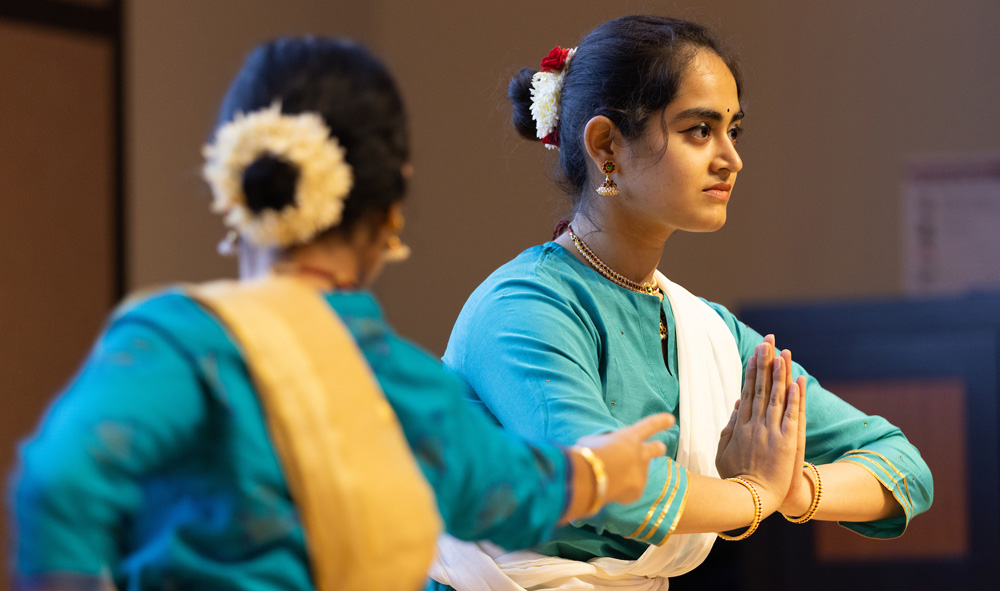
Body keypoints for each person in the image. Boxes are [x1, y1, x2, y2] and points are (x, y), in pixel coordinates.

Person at [8, 37, 678, 591]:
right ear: (390, 217)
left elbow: (59, 482)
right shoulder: (405, 385)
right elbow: (506, 494)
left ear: (235, 188)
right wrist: (599, 471)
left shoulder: (178, 342)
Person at [430, 15, 933, 591]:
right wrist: (753, 495)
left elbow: (903, 468)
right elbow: (606, 484)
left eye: (733, 131)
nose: (730, 158)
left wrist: (792, 488)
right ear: (607, 146)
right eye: (699, 130)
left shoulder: (706, 331)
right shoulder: (523, 308)